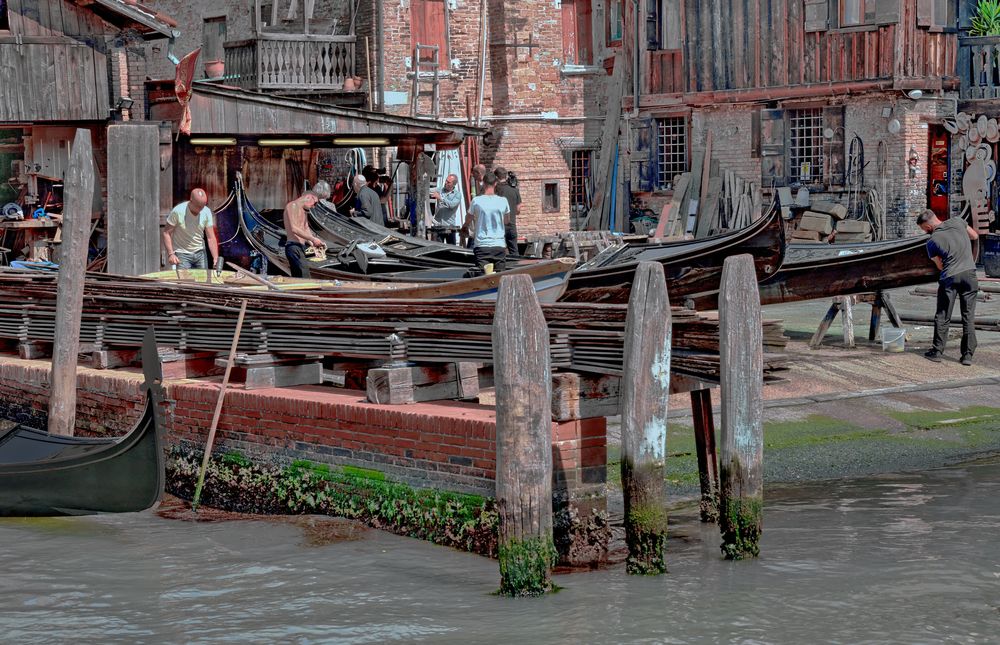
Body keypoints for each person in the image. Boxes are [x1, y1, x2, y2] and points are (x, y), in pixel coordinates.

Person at [917, 209, 980, 365]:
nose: (925, 232)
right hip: (970, 275)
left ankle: (937, 352)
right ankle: (967, 355)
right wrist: (970, 259)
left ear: (928, 226)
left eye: (924, 229)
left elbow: (939, 265)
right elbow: (975, 236)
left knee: (943, 315)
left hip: (949, 277)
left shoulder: (932, 241)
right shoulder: (958, 221)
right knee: (968, 316)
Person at [163, 189, 220, 271]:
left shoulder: (206, 212)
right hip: (182, 254)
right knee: (185, 282)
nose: (200, 209)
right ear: (191, 200)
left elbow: (211, 238)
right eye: (198, 206)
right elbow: (166, 233)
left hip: (200, 253)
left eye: (202, 206)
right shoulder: (178, 211)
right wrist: (171, 254)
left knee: (203, 281)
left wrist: (215, 257)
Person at [464, 172, 510, 273]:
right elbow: (507, 221)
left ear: (483, 183)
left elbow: (468, 219)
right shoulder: (503, 201)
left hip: (482, 245)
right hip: (499, 245)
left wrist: (464, 227)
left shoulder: (476, 201)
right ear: (495, 184)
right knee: (499, 277)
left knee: (483, 278)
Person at [283, 181, 330, 278]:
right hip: (293, 247)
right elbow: (294, 228)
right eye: (315, 203)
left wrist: (314, 244)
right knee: (304, 276)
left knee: (313, 268)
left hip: (302, 247)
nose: (314, 206)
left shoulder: (304, 211)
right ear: (309, 197)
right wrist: (313, 239)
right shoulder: (292, 205)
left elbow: (305, 228)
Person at [493, 166, 522, 256]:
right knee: (514, 251)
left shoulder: (495, 191)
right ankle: (516, 269)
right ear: (505, 176)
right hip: (512, 225)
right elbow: (518, 209)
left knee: (498, 252)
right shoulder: (515, 190)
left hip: (498, 226)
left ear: (496, 177)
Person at [430, 173, 462, 245]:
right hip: (438, 225)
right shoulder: (440, 189)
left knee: (451, 249)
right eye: (446, 181)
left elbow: (451, 205)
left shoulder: (457, 194)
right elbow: (428, 190)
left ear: (453, 184)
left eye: (448, 182)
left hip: (449, 227)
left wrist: (440, 198)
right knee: (437, 248)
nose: (446, 183)